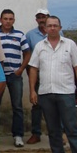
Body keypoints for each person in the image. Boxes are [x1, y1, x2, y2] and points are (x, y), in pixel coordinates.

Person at [28, 16, 77, 153]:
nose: (52, 28)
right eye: (49, 26)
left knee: (71, 128)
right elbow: (33, 68)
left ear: (60, 28)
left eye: (55, 25)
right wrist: (32, 90)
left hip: (66, 93)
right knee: (53, 129)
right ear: (45, 28)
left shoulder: (70, 44)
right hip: (46, 93)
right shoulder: (40, 46)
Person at [0, 9, 31, 146]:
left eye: (10, 19)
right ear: (0, 20)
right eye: (5, 18)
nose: (8, 21)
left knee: (17, 107)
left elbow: (27, 53)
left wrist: (21, 69)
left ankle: (18, 136)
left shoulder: (20, 35)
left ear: (14, 20)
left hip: (14, 75)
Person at [25, 8, 50, 144]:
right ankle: (36, 133)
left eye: (43, 17)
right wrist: (31, 76)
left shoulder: (57, 33)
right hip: (38, 74)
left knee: (56, 104)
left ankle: (57, 134)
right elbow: (28, 56)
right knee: (36, 105)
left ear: (48, 17)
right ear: (36, 19)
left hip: (53, 74)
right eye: (39, 17)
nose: (41, 20)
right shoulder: (30, 35)